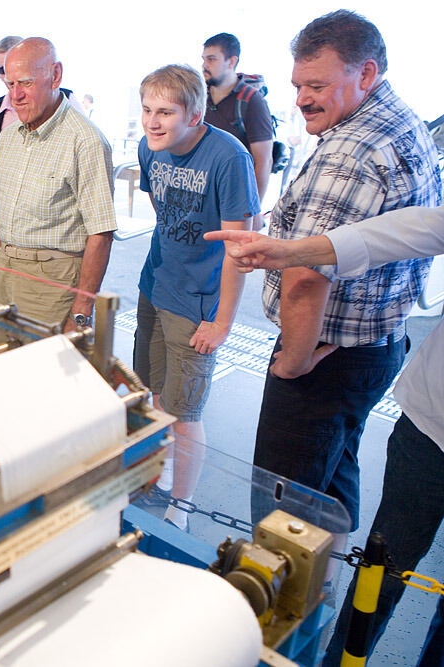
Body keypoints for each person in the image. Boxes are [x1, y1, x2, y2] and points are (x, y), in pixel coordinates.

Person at [206, 207, 444, 666]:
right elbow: (398, 233)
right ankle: (338, 653)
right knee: (384, 565)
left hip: (378, 384)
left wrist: (293, 360)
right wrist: (290, 251)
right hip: (429, 425)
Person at [251, 11, 441, 546]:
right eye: (297, 85)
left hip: (324, 359)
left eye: (316, 86)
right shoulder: (400, 118)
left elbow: (306, 276)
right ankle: (327, 590)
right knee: (328, 489)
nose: (301, 99)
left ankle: (285, 624)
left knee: (280, 517)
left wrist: (292, 363)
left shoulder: (351, 152)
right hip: (376, 347)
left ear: (366, 73)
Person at [134, 64, 258, 531]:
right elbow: (162, 211)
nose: (153, 121)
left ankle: (182, 505)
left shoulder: (228, 158)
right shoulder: (152, 150)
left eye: (166, 111)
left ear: (196, 113)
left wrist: (222, 321)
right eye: (147, 110)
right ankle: (160, 477)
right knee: (156, 394)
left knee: (185, 412)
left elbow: (239, 248)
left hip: (198, 301)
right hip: (155, 285)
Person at [0, 37, 115, 332]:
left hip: (52, 286)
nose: (15, 96)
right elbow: (0, 216)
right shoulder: (7, 137)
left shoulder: (86, 141)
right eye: (10, 85)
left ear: (55, 75)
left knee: (43, 373)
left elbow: (101, 233)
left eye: (26, 83)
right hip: (2, 275)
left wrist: (80, 312)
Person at [0, 36, 84, 242]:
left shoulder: (67, 102)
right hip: (10, 228)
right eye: (1, 71)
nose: (6, 77)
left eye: (25, 80)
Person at [201, 33, 274, 232]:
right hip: (203, 198)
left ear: (231, 61)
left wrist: (253, 209)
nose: (205, 65)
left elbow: (264, 160)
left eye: (212, 59)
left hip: (236, 199)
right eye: (204, 59)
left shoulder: (251, 101)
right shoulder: (199, 97)